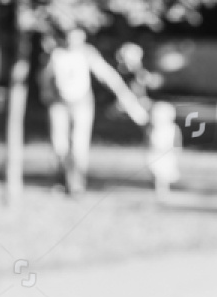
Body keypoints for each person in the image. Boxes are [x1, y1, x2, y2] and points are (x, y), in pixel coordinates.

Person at [38, 27, 148, 195]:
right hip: (59, 103)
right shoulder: (56, 54)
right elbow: (45, 78)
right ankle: (60, 181)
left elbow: (108, 76)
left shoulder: (87, 53)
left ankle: (76, 185)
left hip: (82, 104)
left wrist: (127, 99)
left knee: (79, 146)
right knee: (59, 145)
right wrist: (46, 94)